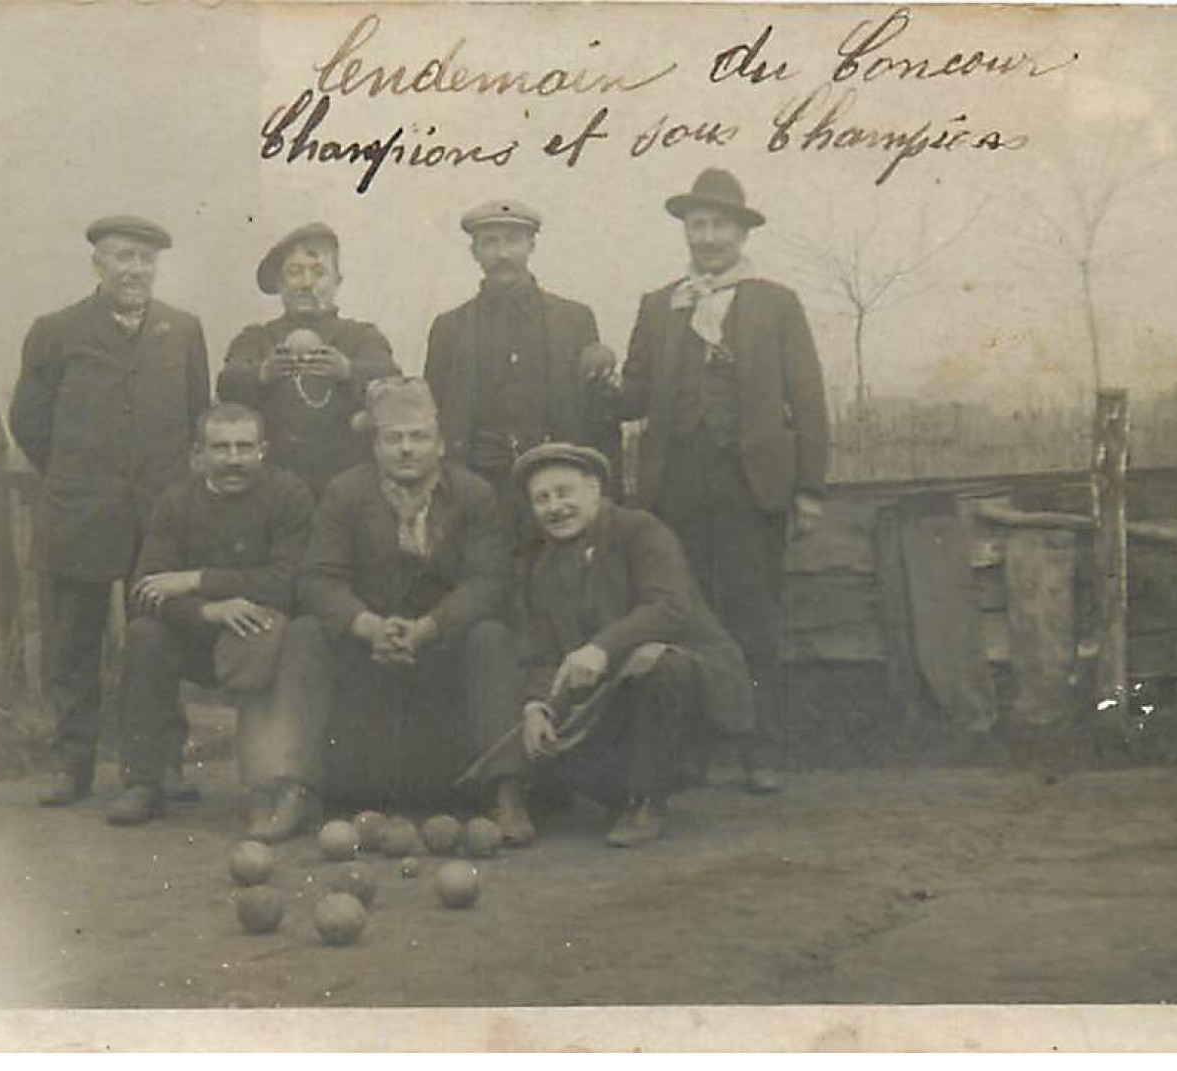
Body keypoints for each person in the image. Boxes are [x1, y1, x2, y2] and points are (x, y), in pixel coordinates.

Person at [616, 169, 829, 793]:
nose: (706, 238)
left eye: (719, 226)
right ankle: (690, 753)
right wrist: (596, 380)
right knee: (681, 617)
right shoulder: (660, 306)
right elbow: (633, 395)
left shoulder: (775, 302)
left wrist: (809, 489)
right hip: (674, 486)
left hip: (749, 485)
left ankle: (761, 751)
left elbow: (807, 398)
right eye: (697, 225)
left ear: (740, 232)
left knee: (753, 618)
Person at [10, 214, 211, 806]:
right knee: (73, 643)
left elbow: (198, 414)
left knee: (158, 636)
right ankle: (71, 765)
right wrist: (78, 475)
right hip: (79, 512)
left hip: (159, 520)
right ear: (97, 264)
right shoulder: (56, 331)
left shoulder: (183, 330)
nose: (136, 270)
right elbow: (29, 420)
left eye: (146, 260)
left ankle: (161, 763)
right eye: (123, 258)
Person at [480, 443, 755, 848]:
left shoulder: (640, 530)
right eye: (542, 499)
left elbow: (669, 606)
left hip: (693, 681)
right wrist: (536, 706)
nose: (555, 507)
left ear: (594, 490)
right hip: (616, 698)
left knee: (655, 662)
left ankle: (648, 800)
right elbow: (544, 654)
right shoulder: (544, 569)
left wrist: (602, 647)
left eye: (564, 492)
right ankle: (612, 789)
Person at [274, 378, 523, 810]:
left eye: (419, 437)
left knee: (491, 636)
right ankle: (293, 788)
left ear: (441, 445)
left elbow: (488, 581)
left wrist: (428, 629)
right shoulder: (345, 492)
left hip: (443, 645)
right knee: (305, 633)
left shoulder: (473, 494)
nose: (407, 449)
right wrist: (370, 628)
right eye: (394, 438)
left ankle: (507, 790)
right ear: (375, 446)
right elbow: (318, 578)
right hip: (367, 648)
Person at [107, 403, 317, 833]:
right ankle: (146, 780)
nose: (234, 459)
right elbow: (146, 590)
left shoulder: (289, 495)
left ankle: (277, 785)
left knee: (300, 633)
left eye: (244, 447)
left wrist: (196, 578)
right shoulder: (176, 502)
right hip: (197, 634)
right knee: (146, 635)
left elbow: (289, 582)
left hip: (264, 631)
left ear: (263, 450)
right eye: (221, 448)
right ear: (197, 455)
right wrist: (208, 609)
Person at [424, 200, 621, 502]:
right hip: (476, 485)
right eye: (490, 242)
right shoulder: (448, 328)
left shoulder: (574, 319)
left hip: (555, 483)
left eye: (513, 241)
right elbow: (434, 413)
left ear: (531, 245)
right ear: (474, 252)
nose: (503, 254)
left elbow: (595, 415)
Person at [217, 222, 398, 495]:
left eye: (318, 272)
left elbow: (392, 383)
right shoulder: (255, 339)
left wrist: (348, 370)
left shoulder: (361, 337)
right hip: (272, 484)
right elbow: (228, 384)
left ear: (337, 282)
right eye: (294, 272)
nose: (306, 283)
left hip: (349, 484)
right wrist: (263, 374)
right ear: (280, 283)